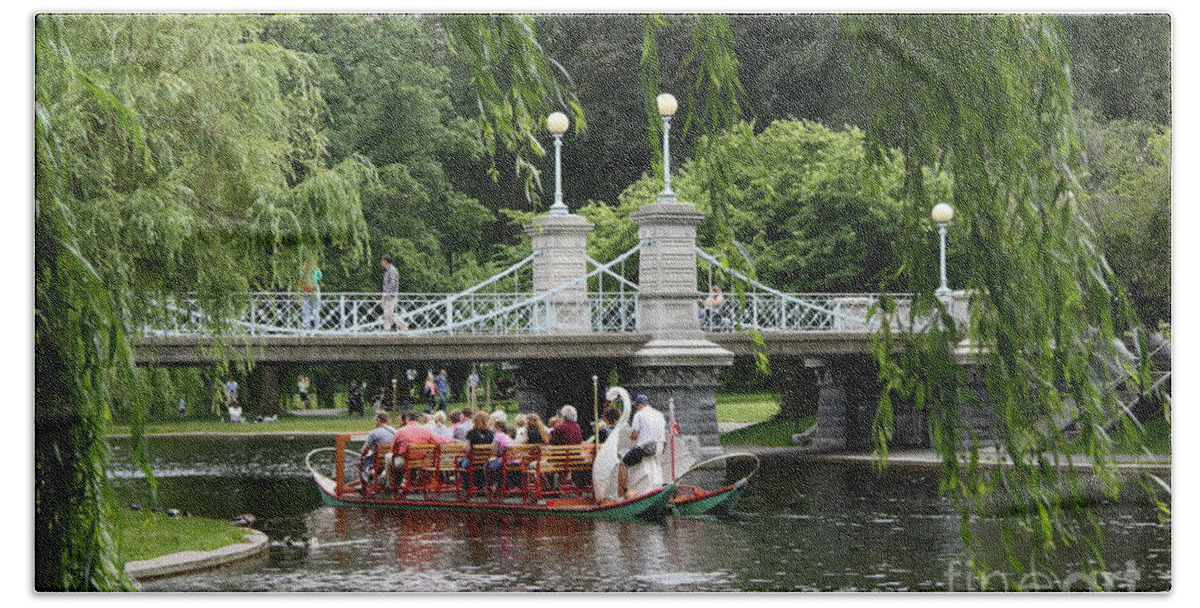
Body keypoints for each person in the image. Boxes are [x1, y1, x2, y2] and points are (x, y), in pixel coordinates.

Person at [619, 394, 667, 498]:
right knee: (640, 455)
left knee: (623, 463)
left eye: (636, 406)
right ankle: (656, 486)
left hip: (647, 448)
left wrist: (630, 436)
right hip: (661, 447)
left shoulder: (639, 414)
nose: (636, 408)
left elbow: (634, 435)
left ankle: (622, 494)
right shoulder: (659, 414)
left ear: (639, 405)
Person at [390, 411, 457, 471]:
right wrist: (454, 441)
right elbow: (439, 440)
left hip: (405, 461)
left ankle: (390, 482)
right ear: (417, 419)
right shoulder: (426, 431)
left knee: (388, 457)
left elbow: (393, 449)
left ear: (407, 419)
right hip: (422, 461)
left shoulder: (400, 431)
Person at [361, 410, 397, 483]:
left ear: (378, 420)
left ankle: (367, 478)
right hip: (392, 459)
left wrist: (362, 453)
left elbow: (365, 449)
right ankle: (380, 476)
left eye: (376, 420)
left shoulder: (374, 433)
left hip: (379, 460)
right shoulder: (395, 431)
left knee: (364, 459)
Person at [379, 255, 405, 331]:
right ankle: (402, 325)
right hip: (387, 295)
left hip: (390, 296)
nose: (381, 263)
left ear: (386, 261)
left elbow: (393, 283)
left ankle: (387, 328)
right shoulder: (388, 270)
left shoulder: (392, 270)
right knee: (388, 313)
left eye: (382, 261)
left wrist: (387, 292)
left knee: (388, 313)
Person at [299, 264, 323, 332]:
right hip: (314, 288)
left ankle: (306, 326)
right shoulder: (316, 268)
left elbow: (300, 276)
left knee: (306, 309)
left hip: (306, 288)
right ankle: (316, 326)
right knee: (316, 308)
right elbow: (319, 277)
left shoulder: (302, 268)